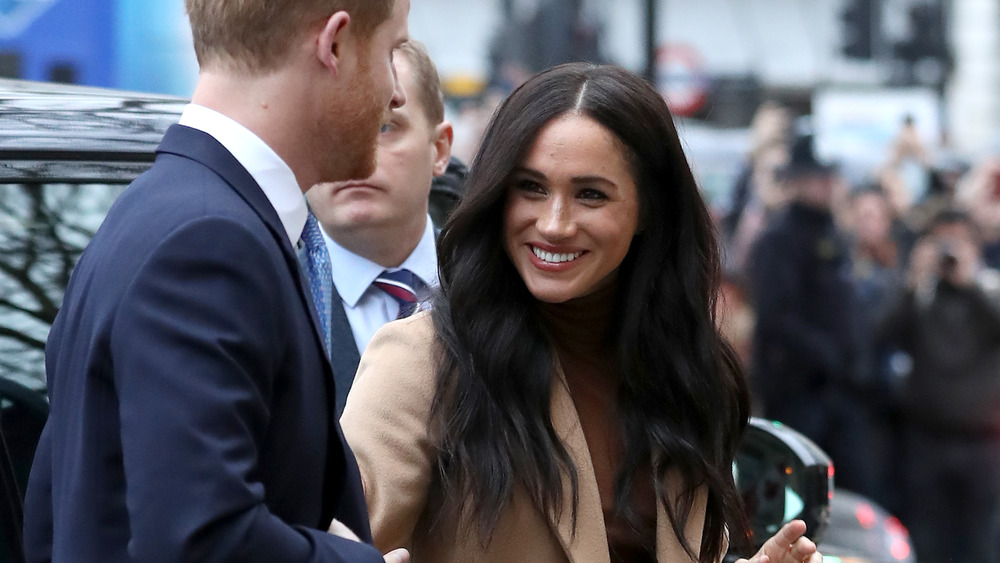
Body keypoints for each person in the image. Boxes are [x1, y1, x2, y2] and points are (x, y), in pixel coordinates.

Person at [341, 63, 820, 563]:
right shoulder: (422, 361)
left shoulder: (689, 371)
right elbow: (334, 545)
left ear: (648, 211)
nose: (553, 223)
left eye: (590, 194)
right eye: (531, 187)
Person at [22, 0, 411, 561]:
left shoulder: (155, 212)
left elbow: (56, 511)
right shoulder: (208, 241)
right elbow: (202, 539)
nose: (396, 90)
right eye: (392, 51)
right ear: (336, 45)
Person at [304, 39, 453, 413]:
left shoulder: (498, 290)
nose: (357, 156)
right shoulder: (265, 299)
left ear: (440, 149)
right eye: (332, 129)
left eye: (386, 127)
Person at [747, 133, 877, 499]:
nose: (827, 186)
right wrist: (827, 355)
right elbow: (776, 318)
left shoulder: (834, 234)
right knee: (800, 492)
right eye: (818, 177)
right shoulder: (780, 239)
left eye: (829, 177)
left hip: (842, 392)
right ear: (797, 181)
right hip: (800, 391)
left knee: (857, 494)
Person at [876, 209, 1000, 563]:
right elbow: (878, 335)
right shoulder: (920, 292)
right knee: (927, 541)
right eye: (941, 240)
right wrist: (912, 281)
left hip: (982, 444)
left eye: (959, 241)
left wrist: (970, 282)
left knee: (981, 543)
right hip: (925, 438)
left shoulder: (990, 289)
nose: (950, 251)